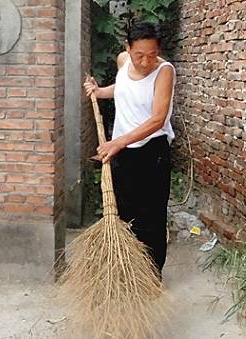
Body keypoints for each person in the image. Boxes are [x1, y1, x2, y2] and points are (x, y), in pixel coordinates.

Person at [84, 21, 176, 280]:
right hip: (123, 153)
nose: (145, 61)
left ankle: (150, 277)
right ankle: (125, 270)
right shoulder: (124, 61)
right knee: (123, 212)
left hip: (152, 152)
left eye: (151, 54)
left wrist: (118, 142)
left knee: (152, 218)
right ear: (128, 48)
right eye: (139, 55)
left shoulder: (164, 72)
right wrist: (100, 92)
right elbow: (124, 88)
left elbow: (158, 119)